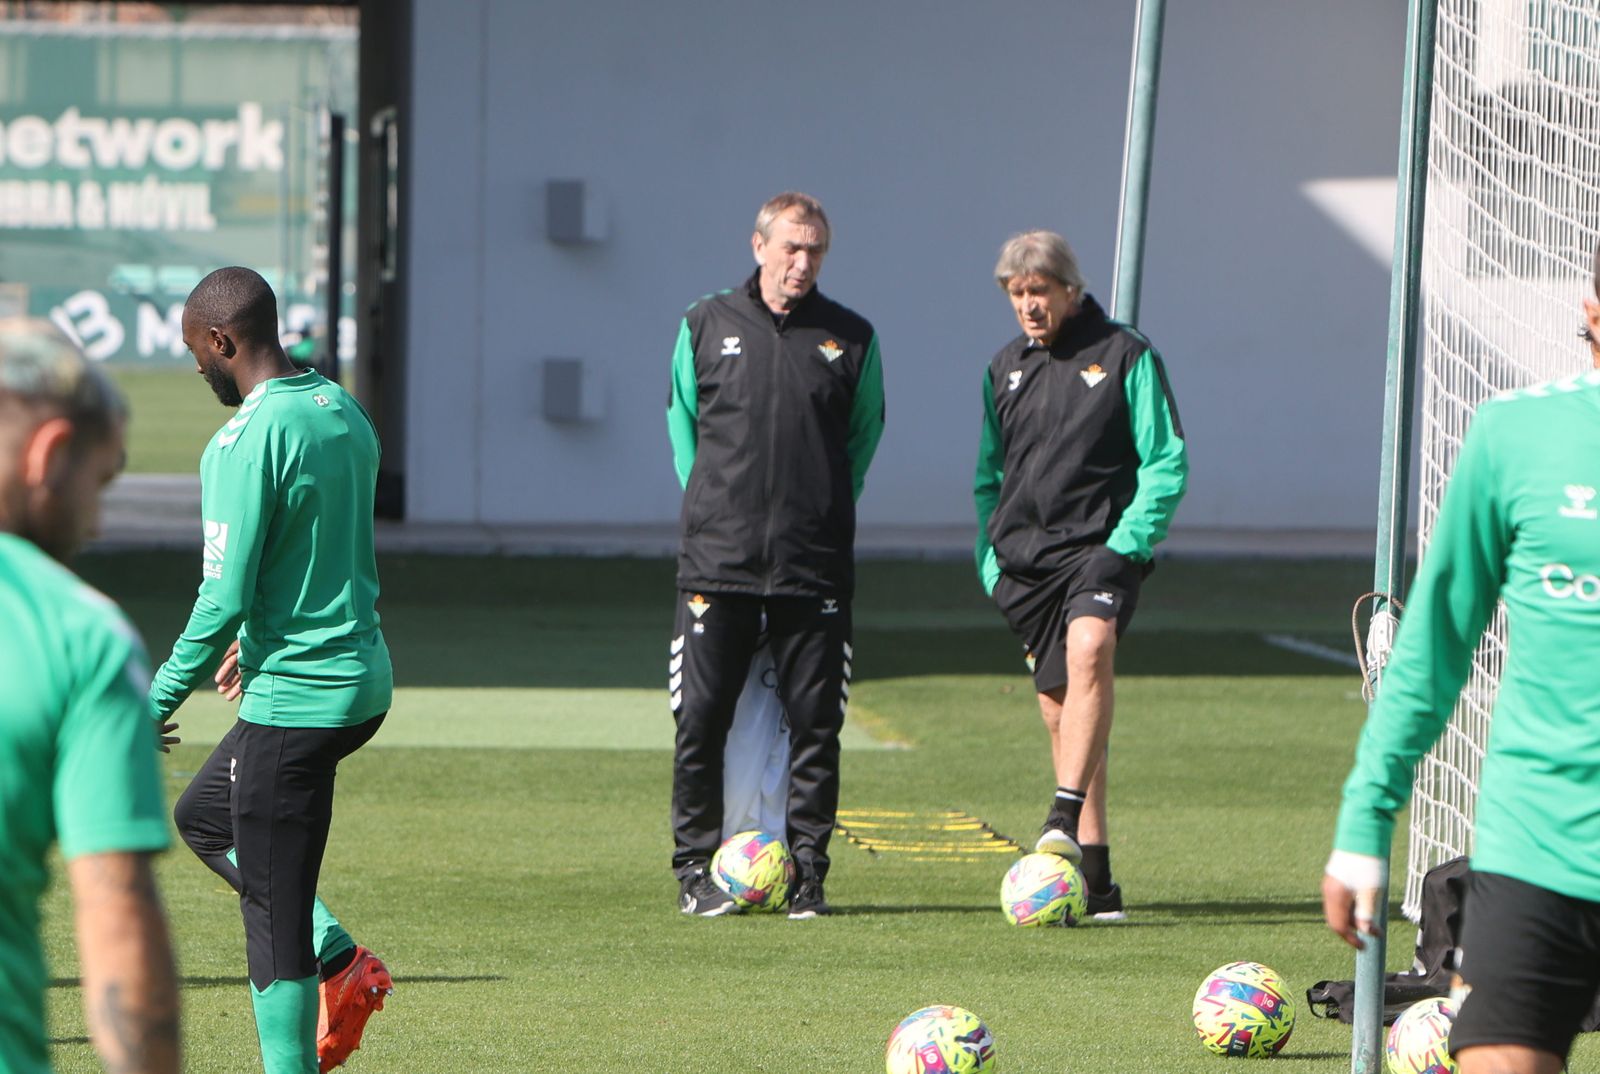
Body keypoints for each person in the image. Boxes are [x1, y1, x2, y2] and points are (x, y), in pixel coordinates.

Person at [1324, 252, 1600, 1074]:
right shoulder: (1516, 436)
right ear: (1593, 304)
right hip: (1537, 845)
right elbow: (1436, 644)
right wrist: (1364, 820)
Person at [148, 268, 393, 1074]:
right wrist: (256, 641)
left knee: (273, 919)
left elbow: (219, 597)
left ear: (222, 341)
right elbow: (316, 550)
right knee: (207, 817)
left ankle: (317, 982)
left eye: (196, 352)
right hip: (359, 681)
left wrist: (153, 700)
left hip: (302, 699)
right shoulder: (341, 410)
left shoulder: (245, 439)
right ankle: (340, 956)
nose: (196, 370)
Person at [665, 191, 885, 918]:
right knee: (700, 720)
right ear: (758, 246)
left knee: (817, 728)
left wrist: (816, 509)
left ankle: (809, 877)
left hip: (811, 566)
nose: (803, 261)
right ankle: (695, 871)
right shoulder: (705, 323)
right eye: (791, 246)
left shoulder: (851, 337)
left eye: (816, 249)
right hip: (716, 565)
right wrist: (715, 510)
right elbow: (683, 431)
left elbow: (861, 440)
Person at [973, 230, 1187, 919]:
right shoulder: (1004, 367)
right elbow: (988, 475)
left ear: (1071, 288)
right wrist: (989, 559)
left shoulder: (1125, 354)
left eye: (1040, 292)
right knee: (1061, 714)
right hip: (1024, 564)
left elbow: (1166, 460)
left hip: (1101, 548)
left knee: (1093, 644)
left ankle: (1059, 815)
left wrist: (1127, 545)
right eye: (1017, 295)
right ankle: (1096, 881)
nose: (1029, 306)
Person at [0, 319, 179, 1074]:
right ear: (49, 455)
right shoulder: (78, 634)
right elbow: (115, 916)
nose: (96, 522)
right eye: (97, 485)